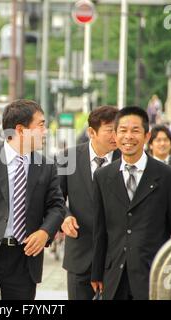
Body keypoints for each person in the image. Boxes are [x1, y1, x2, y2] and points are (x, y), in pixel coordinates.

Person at [91, 106, 171, 300]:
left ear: (146, 136)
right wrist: (97, 272)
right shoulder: (103, 176)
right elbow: (100, 229)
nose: (128, 136)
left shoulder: (169, 177)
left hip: (151, 275)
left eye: (135, 130)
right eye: (123, 130)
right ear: (116, 135)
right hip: (114, 276)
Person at [0, 99, 65, 300]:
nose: (46, 131)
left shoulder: (46, 166)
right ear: (21, 130)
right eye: (41, 125)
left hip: (25, 258)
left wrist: (45, 232)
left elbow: (57, 206)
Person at [58, 106, 120, 300]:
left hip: (117, 257)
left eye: (118, 129)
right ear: (91, 132)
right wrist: (65, 217)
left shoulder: (128, 159)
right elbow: (55, 198)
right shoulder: (69, 157)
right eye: (110, 130)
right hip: (80, 253)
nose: (116, 136)